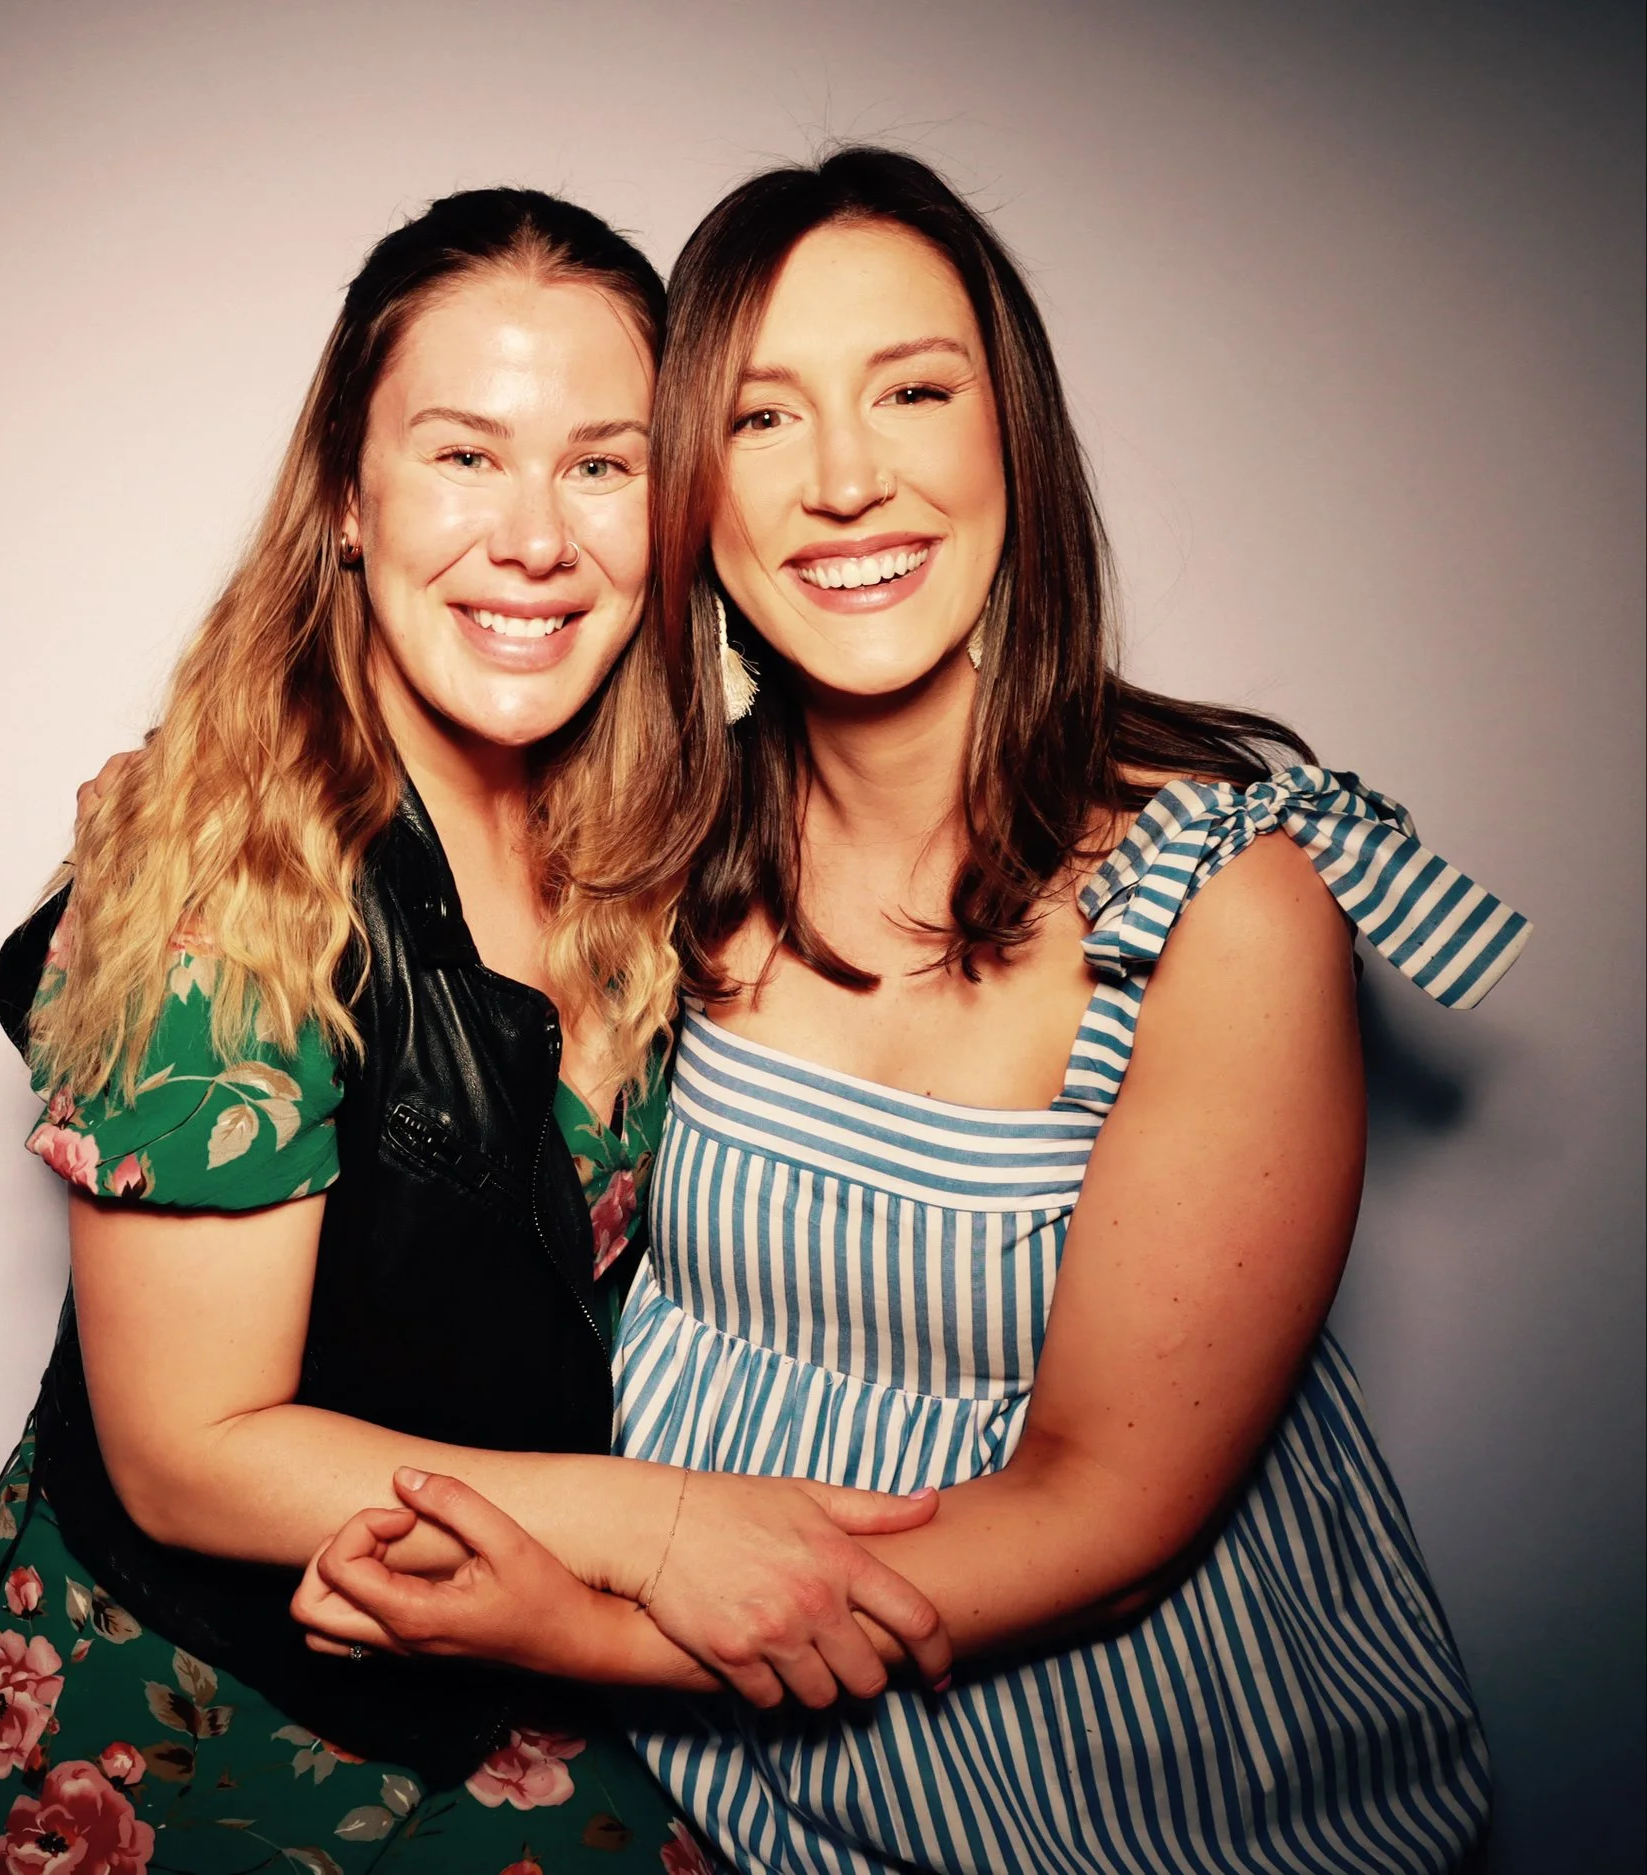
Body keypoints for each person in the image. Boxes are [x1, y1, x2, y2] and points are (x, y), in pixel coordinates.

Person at [293, 149, 1524, 1875]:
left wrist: (576, 1632)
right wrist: (190, 818)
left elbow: (1107, 1506)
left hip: (1137, 1802)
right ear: (686, 498)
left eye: (914, 392)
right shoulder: (656, 841)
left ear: (1011, 436)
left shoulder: (1224, 907)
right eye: (767, 419)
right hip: (718, 1792)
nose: (848, 483)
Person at [0, 187, 955, 1875]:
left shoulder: (662, 835)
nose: (536, 537)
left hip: (525, 1644)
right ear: (346, 502)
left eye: (601, 465)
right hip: (215, 1734)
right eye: (465, 455)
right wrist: (675, 1527)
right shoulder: (226, 874)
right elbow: (187, 1457)